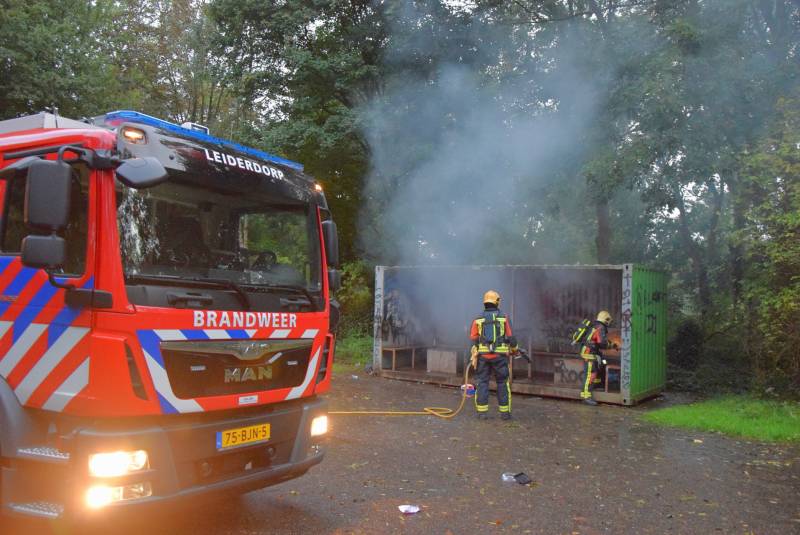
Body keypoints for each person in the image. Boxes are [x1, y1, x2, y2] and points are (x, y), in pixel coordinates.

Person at [469, 290, 518, 420]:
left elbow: (473, 337)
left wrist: (477, 348)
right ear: (497, 301)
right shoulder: (504, 317)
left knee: (482, 383)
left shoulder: (478, 318)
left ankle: (482, 413)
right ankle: (505, 414)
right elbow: (511, 338)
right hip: (500, 357)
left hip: (483, 357)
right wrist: (514, 349)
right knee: (502, 383)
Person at [579, 310, 618, 406]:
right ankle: (585, 396)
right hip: (589, 353)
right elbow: (602, 343)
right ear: (606, 319)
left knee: (599, 367)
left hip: (592, 352)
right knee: (590, 374)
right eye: (609, 320)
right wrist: (612, 346)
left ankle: (595, 385)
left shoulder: (596, 326)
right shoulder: (601, 327)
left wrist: (612, 344)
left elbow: (600, 340)